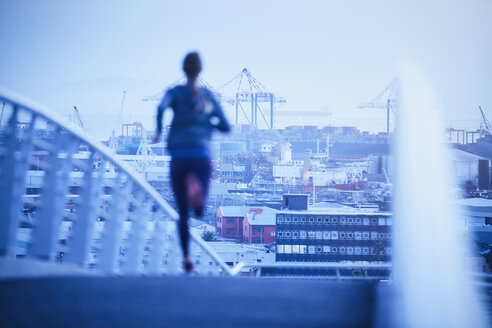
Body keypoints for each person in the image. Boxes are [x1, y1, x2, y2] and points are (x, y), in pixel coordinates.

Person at [153, 52, 230, 273]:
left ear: (183, 69)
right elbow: (225, 126)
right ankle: (198, 192)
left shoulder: (174, 93)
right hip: (200, 154)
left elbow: (160, 108)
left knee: (183, 213)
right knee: (199, 209)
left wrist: (159, 130)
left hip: (178, 154)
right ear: (200, 70)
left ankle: (186, 256)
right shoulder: (207, 97)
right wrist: (208, 124)